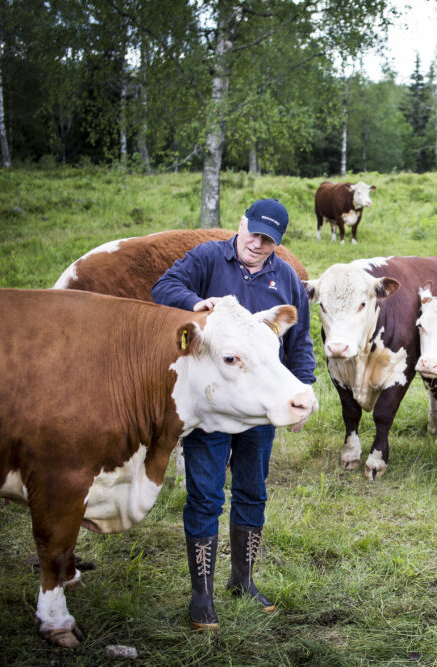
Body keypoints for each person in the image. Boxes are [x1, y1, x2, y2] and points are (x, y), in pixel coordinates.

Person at [152, 198, 317, 631]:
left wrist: (303, 392)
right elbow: (163, 288)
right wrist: (195, 302)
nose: (258, 244)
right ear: (241, 225)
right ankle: (201, 594)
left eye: (269, 240)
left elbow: (299, 341)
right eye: (254, 233)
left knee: (252, 491)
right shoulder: (209, 257)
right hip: (213, 404)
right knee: (205, 495)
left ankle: (243, 580)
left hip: (260, 407)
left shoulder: (286, 279)